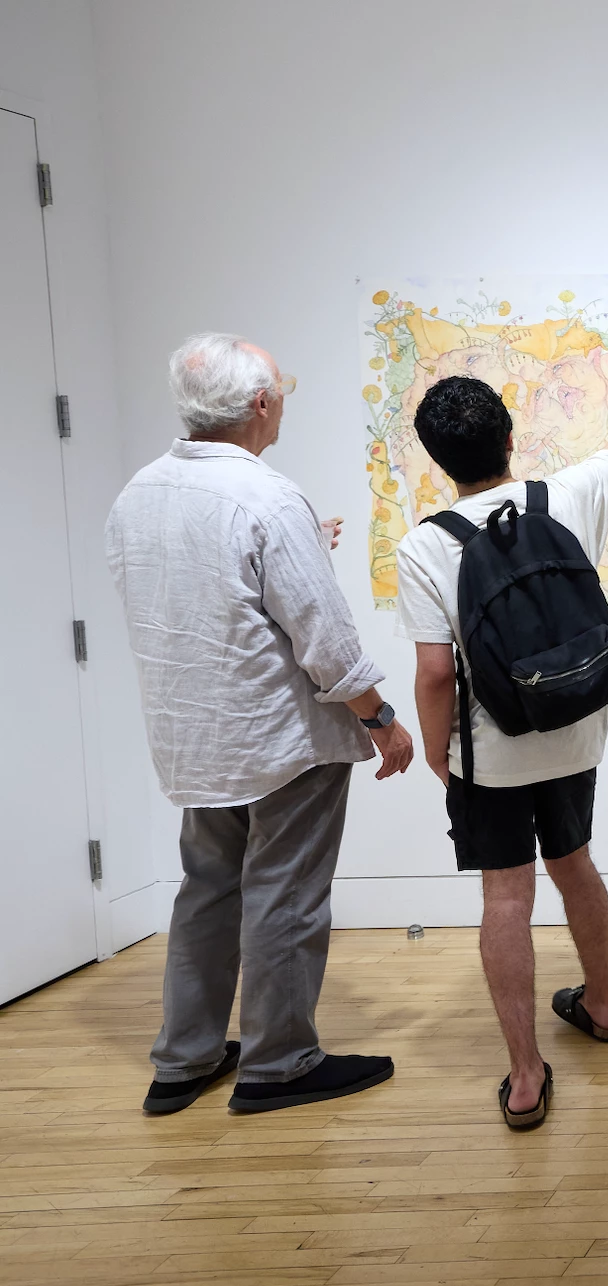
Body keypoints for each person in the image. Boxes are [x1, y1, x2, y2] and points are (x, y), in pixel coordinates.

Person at [395, 355, 608, 1128]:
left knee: (506, 895)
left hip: (492, 749)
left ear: (438, 461)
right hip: (577, 725)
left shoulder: (425, 547)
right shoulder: (565, 494)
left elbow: (435, 674)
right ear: (510, 436)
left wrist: (444, 761)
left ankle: (523, 1077)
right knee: (574, 863)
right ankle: (604, 1006)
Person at [107, 332, 416, 1116]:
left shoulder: (137, 493)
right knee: (285, 896)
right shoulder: (267, 497)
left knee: (206, 891)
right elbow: (325, 639)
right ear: (259, 404)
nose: (284, 401)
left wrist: (304, 548)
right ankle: (279, 1064)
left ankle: (185, 1059)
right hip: (281, 742)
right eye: (283, 388)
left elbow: (202, 595)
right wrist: (380, 717)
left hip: (196, 740)